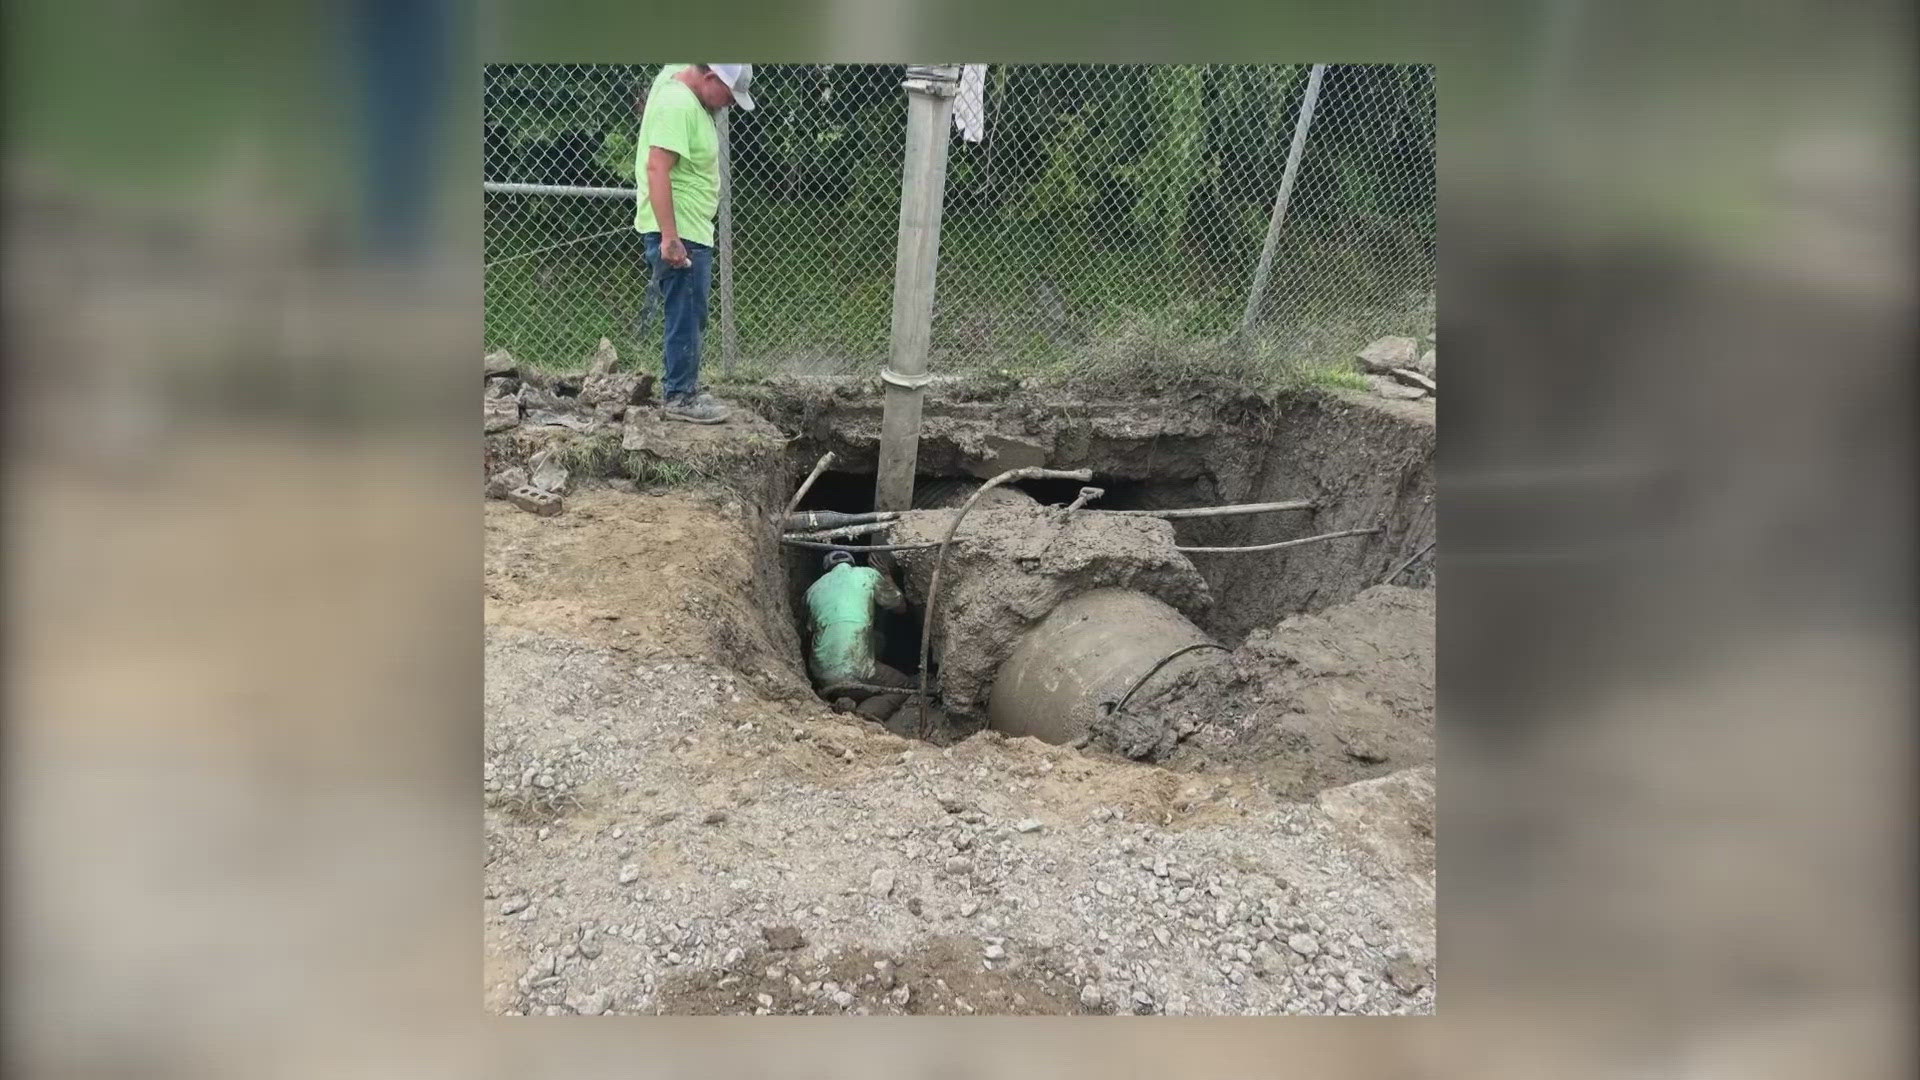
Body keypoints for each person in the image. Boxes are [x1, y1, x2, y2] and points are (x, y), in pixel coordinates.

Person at [633, 63, 755, 424]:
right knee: (687, 313)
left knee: (686, 311)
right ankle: (681, 397)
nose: (730, 104)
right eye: (729, 95)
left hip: (688, 227)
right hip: (680, 232)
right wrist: (670, 237)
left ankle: (682, 387)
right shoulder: (679, 105)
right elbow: (658, 168)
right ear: (710, 79)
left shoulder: (681, 78)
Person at [803, 550, 915, 721]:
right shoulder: (868, 575)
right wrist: (886, 576)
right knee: (904, 686)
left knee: (876, 639)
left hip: (822, 677)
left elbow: (809, 631)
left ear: (826, 570)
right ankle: (864, 715)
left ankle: (843, 699)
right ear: (853, 564)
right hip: (855, 671)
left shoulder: (812, 590)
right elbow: (900, 607)